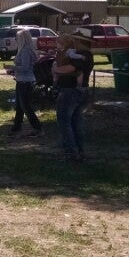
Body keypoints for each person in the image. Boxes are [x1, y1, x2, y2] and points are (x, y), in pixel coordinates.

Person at [52, 33, 93, 162]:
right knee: (76, 123)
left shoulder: (81, 55)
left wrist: (56, 70)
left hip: (70, 91)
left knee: (65, 122)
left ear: (80, 42)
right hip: (80, 91)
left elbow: (71, 68)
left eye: (75, 40)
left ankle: (71, 152)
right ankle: (80, 151)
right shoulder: (87, 55)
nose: (73, 42)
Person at [9, 29, 42, 137]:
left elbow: (25, 67)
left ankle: (37, 127)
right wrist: (13, 71)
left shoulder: (25, 50)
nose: (16, 39)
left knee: (25, 106)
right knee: (19, 106)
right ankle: (16, 127)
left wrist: (13, 67)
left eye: (17, 38)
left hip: (25, 82)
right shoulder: (23, 50)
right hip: (21, 80)